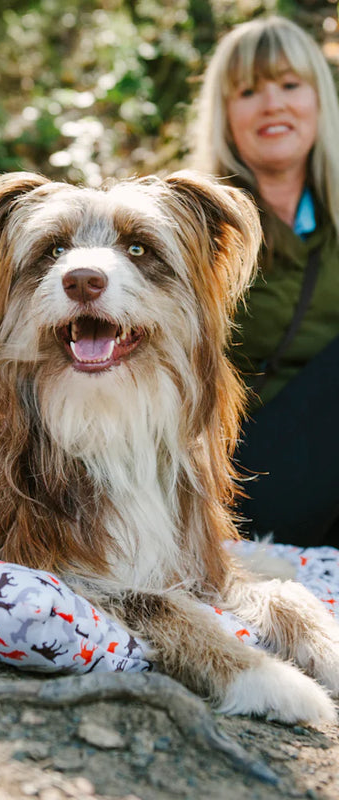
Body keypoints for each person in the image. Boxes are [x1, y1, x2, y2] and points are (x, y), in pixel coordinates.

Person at [192, 15, 339, 547]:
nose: (273, 103)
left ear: (318, 100)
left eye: (290, 85)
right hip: (238, 478)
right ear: (225, 116)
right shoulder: (200, 229)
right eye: (249, 91)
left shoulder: (332, 221)